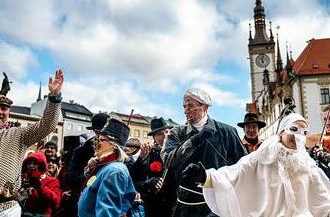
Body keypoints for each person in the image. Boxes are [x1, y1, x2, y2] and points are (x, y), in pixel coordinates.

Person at [183, 112, 330, 216]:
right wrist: (206, 177)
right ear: (281, 132)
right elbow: (236, 173)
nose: (298, 136)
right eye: (293, 129)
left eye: (303, 132)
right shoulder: (263, 157)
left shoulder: (307, 165)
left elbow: (322, 197)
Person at [161, 88, 247, 217]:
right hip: (186, 206)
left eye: (190, 106)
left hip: (219, 204)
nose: (185, 110)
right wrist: (195, 140)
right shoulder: (177, 133)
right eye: (184, 106)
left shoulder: (227, 132)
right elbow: (168, 160)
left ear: (205, 107)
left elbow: (243, 166)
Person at [0, 69, 63, 215]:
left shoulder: (18, 134)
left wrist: (54, 97)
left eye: (4, 108)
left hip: (5, 208)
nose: (1, 112)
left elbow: (47, 125)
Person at [78, 118, 136, 216]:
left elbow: (107, 212)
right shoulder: (106, 167)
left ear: (113, 145)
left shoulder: (114, 171)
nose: (96, 142)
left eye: (101, 139)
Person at [132, 117, 176, 217]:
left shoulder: (176, 152)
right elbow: (135, 182)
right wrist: (149, 183)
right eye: (160, 134)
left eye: (166, 132)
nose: (165, 136)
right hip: (153, 206)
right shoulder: (149, 153)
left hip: (173, 204)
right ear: (154, 137)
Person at [20, 152, 62, 216]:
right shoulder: (21, 180)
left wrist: (40, 188)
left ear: (41, 165)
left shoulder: (52, 181)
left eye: (35, 163)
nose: (31, 166)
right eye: (29, 163)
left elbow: (56, 202)